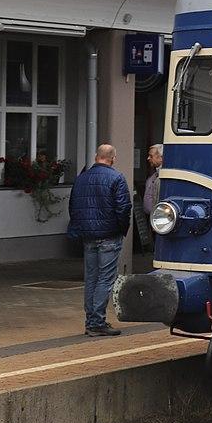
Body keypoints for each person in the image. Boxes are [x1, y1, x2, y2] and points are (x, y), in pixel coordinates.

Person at [69, 144, 131, 337]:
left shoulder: (81, 178)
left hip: (88, 237)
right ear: (113, 158)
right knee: (106, 279)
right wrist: (121, 229)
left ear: (97, 157)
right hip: (109, 236)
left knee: (91, 279)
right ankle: (96, 322)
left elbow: (73, 207)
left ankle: (90, 320)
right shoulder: (116, 178)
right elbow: (124, 207)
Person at [137, 144, 162, 250]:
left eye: (151, 156)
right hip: (152, 219)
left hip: (160, 221)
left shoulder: (164, 177)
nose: (148, 158)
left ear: (161, 157)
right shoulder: (155, 175)